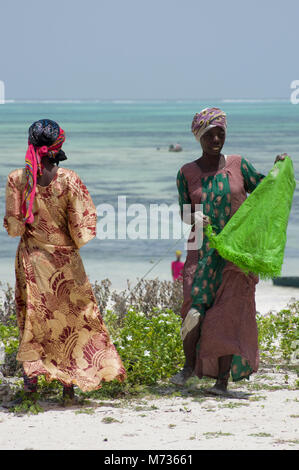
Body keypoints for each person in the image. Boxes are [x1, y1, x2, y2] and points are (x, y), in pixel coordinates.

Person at [3, 119, 126, 405]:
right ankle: (69, 388)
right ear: (58, 146)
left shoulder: (16, 179)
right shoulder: (69, 179)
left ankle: (30, 388)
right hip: (66, 264)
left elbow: (14, 228)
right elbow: (81, 229)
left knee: (34, 321)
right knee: (75, 321)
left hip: (32, 263)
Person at [170, 107, 288, 395]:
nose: (216, 139)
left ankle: (221, 382)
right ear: (199, 137)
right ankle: (188, 367)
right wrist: (194, 218)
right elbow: (184, 211)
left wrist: (277, 169)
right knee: (193, 312)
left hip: (236, 253)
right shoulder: (187, 172)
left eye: (220, 133)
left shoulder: (238, 165)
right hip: (200, 251)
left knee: (228, 314)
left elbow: (264, 192)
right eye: (210, 134)